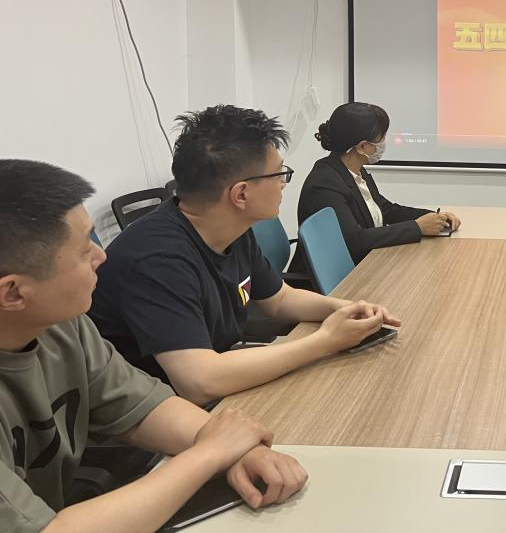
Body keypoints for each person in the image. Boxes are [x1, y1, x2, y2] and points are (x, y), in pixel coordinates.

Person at [0, 159, 307, 533]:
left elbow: (143, 407)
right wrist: (210, 453)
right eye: (83, 251)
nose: (102, 256)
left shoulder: (63, 326)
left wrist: (239, 448)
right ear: (13, 293)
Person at [89, 105, 401, 406]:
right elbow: (199, 382)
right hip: (153, 415)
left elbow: (279, 300)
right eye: (279, 174)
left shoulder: (230, 228)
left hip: (212, 383)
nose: (283, 184)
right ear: (241, 194)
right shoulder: (157, 259)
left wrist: (346, 308)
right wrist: (326, 340)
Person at [295, 102, 460, 263]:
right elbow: (354, 240)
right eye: (382, 137)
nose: (384, 143)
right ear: (362, 147)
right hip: (343, 274)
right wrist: (417, 227)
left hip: (369, 261)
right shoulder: (324, 183)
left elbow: (386, 210)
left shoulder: (355, 170)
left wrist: (434, 218)